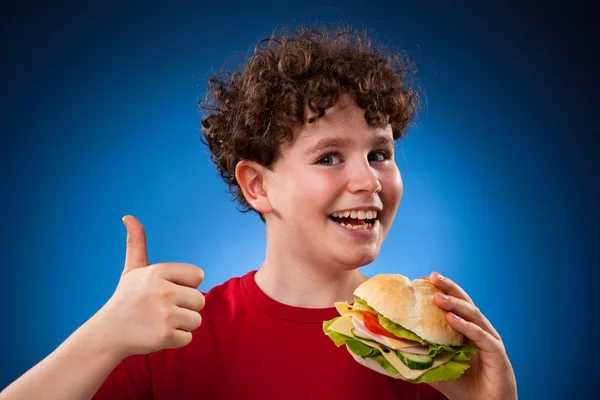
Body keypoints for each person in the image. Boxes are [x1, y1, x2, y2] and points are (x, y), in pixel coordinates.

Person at [0, 26, 517, 400]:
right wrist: (103, 336)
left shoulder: (429, 358)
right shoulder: (171, 334)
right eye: (330, 157)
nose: (368, 180)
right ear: (256, 184)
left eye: (379, 154)